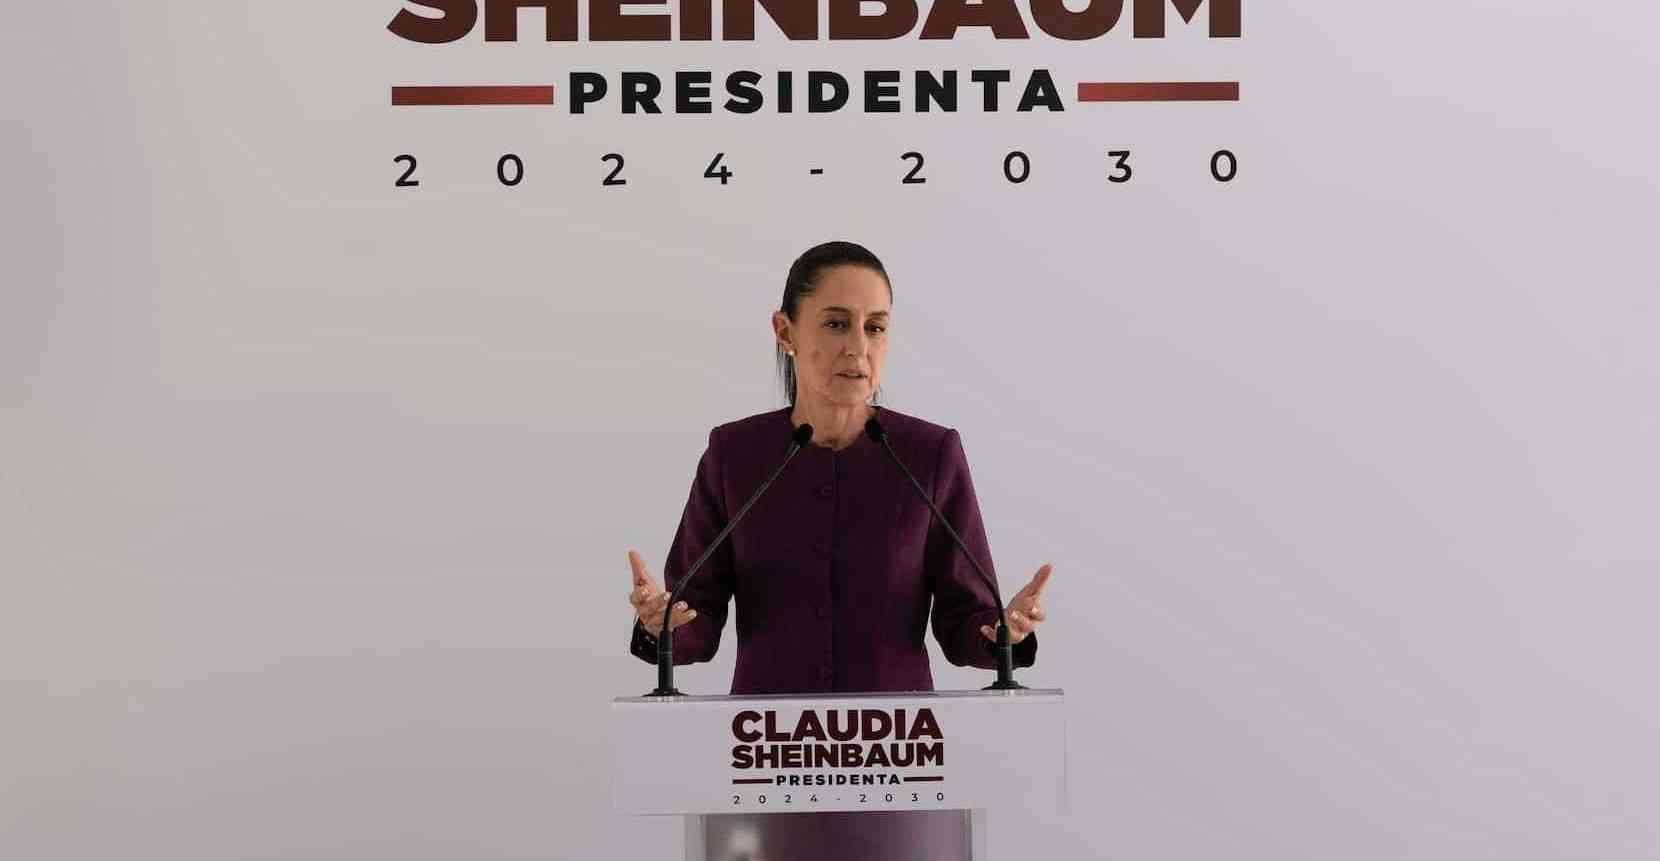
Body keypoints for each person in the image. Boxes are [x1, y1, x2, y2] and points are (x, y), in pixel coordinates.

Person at [625, 240, 1052, 695]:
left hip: (899, 733)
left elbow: (964, 621)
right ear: (785, 332)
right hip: (768, 733)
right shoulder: (734, 454)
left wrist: (1002, 633)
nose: (858, 348)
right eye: (836, 324)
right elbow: (696, 618)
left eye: (875, 328)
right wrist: (661, 625)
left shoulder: (930, 454)